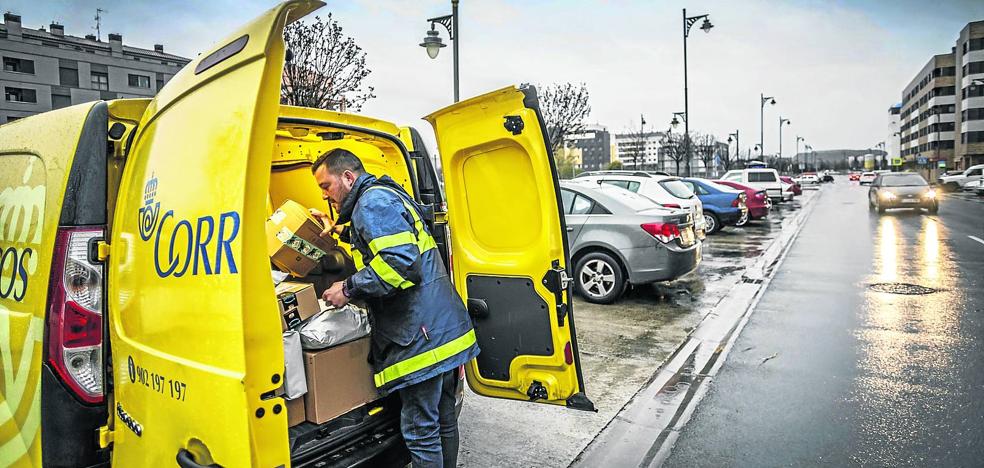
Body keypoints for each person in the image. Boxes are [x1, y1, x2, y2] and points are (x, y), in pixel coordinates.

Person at [310, 148, 479, 468]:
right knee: (443, 420)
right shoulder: (383, 197)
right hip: (439, 331)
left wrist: (347, 288)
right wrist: (339, 230)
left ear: (348, 177)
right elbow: (382, 242)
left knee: (420, 430)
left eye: (326, 186)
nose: (326, 195)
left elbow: (399, 265)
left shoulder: (371, 204)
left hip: (419, 337)